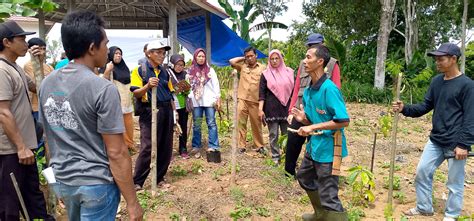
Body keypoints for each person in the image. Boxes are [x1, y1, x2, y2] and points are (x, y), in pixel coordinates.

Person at [38, 10, 143, 220]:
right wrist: (132, 202)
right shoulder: (102, 88)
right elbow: (116, 152)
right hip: (96, 184)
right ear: (92, 48)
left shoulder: (46, 84)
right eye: (105, 44)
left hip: (64, 181)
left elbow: (49, 136)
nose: (108, 49)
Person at [393, 43, 474, 221]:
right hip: (436, 139)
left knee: (454, 182)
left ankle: (451, 215)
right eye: (436, 59)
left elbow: (470, 118)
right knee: (422, 171)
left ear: (454, 59)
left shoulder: (467, 85)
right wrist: (405, 108)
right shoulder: (437, 81)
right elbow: (425, 106)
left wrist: (463, 144)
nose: (437, 62)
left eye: (441, 59)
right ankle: (424, 207)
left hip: (456, 143)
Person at [0, 20, 54, 221]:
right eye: (21, 38)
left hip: (24, 147)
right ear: (7, 42)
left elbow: (39, 88)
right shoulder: (2, 70)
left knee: (32, 194)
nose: (26, 42)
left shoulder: (15, 67)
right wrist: (21, 147)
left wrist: (39, 65)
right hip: (11, 150)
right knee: (9, 202)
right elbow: (3, 112)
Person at [292, 44, 350, 220]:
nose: (304, 60)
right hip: (314, 147)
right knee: (304, 176)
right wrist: (304, 120)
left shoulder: (329, 89)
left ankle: (332, 215)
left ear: (320, 62)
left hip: (330, 149)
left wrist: (312, 127)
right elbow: (313, 121)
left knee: (328, 194)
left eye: (308, 57)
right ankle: (320, 214)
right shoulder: (309, 91)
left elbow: (343, 121)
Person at [285, 33, 342, 176]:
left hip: (319, 112)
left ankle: (314, 173)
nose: (313, 48)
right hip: (301, 107)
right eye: (310, 45)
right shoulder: (303, 63)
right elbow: (297, 87)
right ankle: (289, 172)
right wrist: (291, 112)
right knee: (293, 140)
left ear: (322, 44)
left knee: (315, 141)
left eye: (316, 45)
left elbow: (336, 90)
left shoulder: (333, 64)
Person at [131, 40, 175, 190]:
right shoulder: (140, 70)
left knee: (165, 145)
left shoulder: (165, 72)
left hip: (166, 110)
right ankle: (137, 181)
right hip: (149, 110)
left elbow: (170, 93)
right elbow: (136, 92)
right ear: (149, 53)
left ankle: (159, 177)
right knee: (148, 146)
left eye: (163, 53)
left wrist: (174, 115)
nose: (162, 55)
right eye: (158, 52)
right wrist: (147, 86)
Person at [258, 49, 294, 164]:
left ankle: (288, 157)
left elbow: (294, 91)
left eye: (276, 58)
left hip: (286, 109)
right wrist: (260, 109)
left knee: (287, 134)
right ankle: (275, 157)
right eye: (272, 59)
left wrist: (294, 108)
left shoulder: (289, 72)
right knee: (273, 134)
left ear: (281, 59)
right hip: (271, 109)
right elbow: (262, 94)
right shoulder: (265, 74)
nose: (274, 61)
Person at [229, 46, 266, 154]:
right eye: (247, 56)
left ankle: (259, 145)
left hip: (255, 101)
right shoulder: (243, 67)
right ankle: (241, 145)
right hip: (242, 99)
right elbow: (231, 61)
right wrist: (243, 58)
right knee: (241, 123)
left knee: (256, 124)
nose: (249, 58)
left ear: (256, 55)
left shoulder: (263, 68)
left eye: (251, 56)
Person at [23, 37, 54, 162]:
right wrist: (38, 64)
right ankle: (40, 165)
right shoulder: (28, 66)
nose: (42, 52)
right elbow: (38, 87)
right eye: (38, 49)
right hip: (36, 107)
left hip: (49, 106)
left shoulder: (49, 67)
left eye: (44, 49)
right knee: (39, 138)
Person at [188, 48, 221, 158]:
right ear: (195, 57)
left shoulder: (210, 70)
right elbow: (188, 87)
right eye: (199, 56)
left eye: (203, 56)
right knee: (197, 124)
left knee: (211, 123)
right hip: (196, 102)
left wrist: (218, 98)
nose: (201, 58)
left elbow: (216, 85)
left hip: (209, 101)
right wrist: (189, 98)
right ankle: (196, 146)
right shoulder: (190, 71)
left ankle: (213, 145)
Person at [102, 46, 136, 151]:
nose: (118, 55)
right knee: (117, 127)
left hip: (127, 103)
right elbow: (102, 83)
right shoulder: (107, 67)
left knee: (129, 126)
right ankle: (120, 147)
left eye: (120, 54)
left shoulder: (125, 68)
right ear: (111, 54)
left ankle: (129, 145)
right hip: (115, 103)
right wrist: (108, 70)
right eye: (116, 53)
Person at [167, 54, 191, 159]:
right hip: (170, 105)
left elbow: (188, 90)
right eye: (178, 64)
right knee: (169, 128)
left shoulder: (185, 74)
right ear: (172, 64)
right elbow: (166, 88)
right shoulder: (167, 73)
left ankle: (183, 149)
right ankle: (168, 151)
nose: (180, 67)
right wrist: (177, 88)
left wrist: (185, 89)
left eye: (182, 65)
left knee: (183, 128)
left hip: (182, 105)